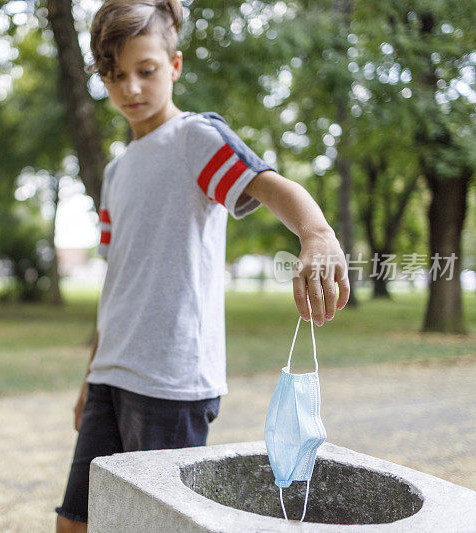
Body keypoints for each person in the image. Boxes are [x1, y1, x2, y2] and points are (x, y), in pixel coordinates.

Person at [55, 1, 350, 531]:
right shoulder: (116, 173)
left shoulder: (195, 139)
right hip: (109, 376)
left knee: (158, 525)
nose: (132, 89)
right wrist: (87, 380)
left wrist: (316, 232)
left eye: (145, 71)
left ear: (175, 64)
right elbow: (117, 285)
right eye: (115, 75)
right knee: (76, 522)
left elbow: (271, 185)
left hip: (172, 383)